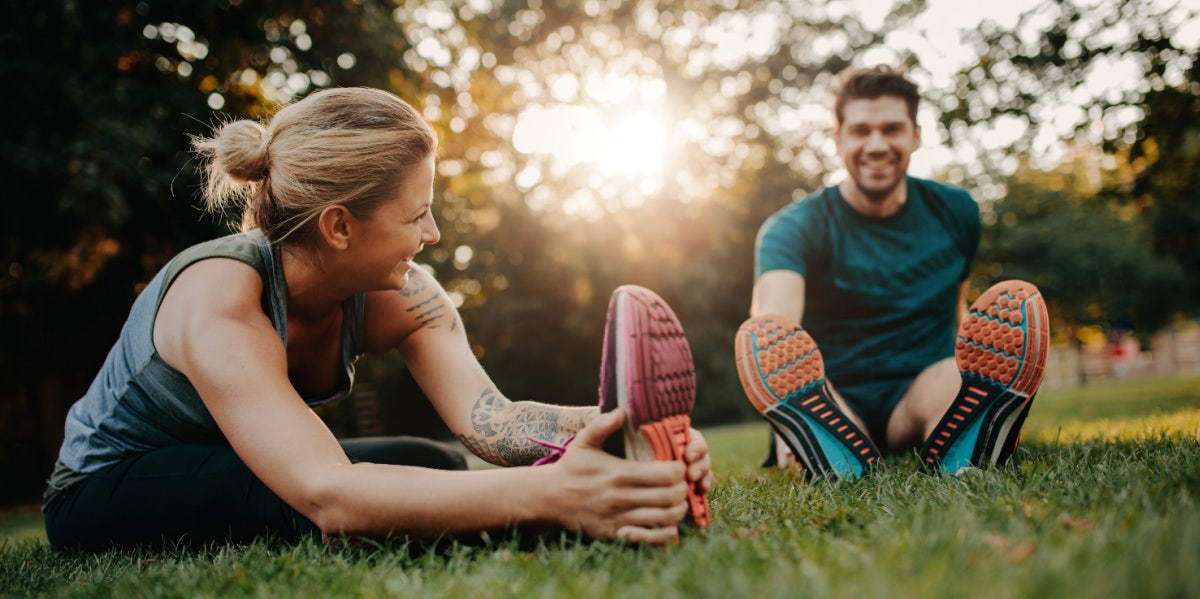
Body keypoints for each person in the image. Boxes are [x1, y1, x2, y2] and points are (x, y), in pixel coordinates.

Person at [42, 87, 711, 553]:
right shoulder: (221, 297)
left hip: (230, 463)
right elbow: (330, 493)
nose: (435, 231)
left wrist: (624, 432)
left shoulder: (404, 294)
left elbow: (496, 423)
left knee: (436, 466)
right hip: (108, 485)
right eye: (416, 214)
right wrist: (555, 497)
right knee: (309, 503)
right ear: (339, 225)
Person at [734, 65, 1049, 479]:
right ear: (838, 139)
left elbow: (955, 305)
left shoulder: (957, 212)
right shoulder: (793, 228)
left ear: (916, 135)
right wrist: (778, 415)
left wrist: (968, 369)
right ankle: (811, 436)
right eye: (861, 131)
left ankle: (971, 434)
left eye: (892, 129)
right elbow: (774, 328)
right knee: (812, 394)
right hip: (834, 394)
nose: (877, 144)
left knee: (956, 379)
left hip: (920, 390)